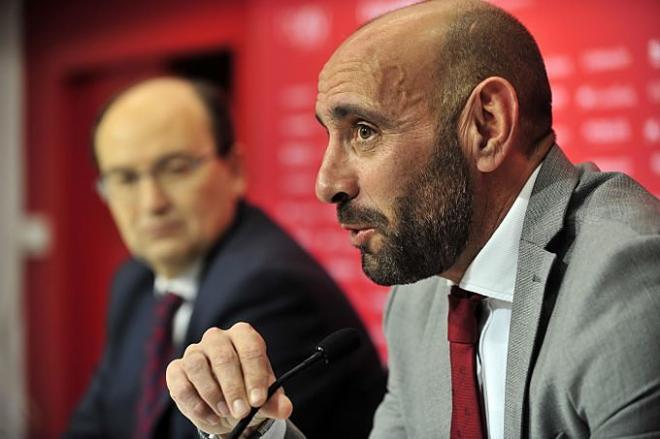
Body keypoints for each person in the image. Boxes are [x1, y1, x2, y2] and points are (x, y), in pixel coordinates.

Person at [166, 1, 660, 438]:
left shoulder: (628, 281)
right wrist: (256, 429)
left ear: (487, 125)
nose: (326, 183)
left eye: (363, 131)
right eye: (328, 136)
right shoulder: (419, 295)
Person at [65, 77, 386, 439]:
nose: (151, 203)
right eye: (124, 178)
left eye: (176, 168)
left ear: (234, 169)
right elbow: (94, 423)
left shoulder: (271, 286)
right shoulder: (134, 281)